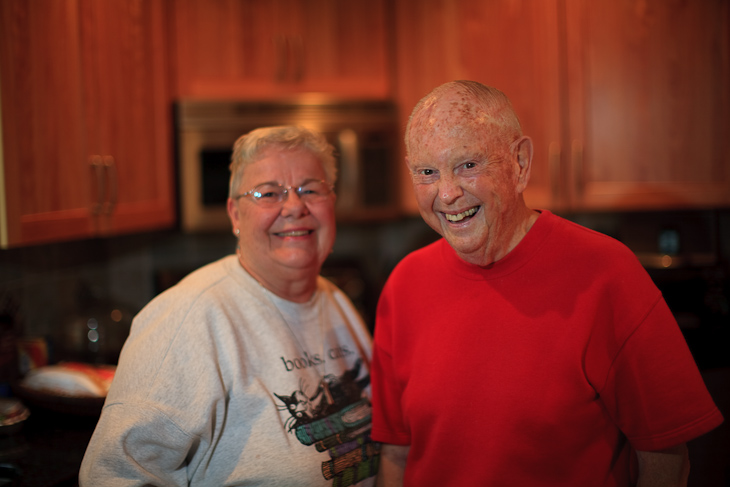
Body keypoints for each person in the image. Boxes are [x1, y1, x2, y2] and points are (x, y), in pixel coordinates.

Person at [370, 80, 723, 486]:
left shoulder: (608, 273)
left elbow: (666, 457)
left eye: (468, 165)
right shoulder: (403, 285)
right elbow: (397, 454)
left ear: (520, 163)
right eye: (427, 172)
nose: (447, 193)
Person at [80, 126, 379, 486]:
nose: (295, 206)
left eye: (310, 190)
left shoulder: (336, 301)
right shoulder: (188, 318)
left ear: (332, 202)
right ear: (236, 214)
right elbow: (114, 476)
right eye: (269, 193)